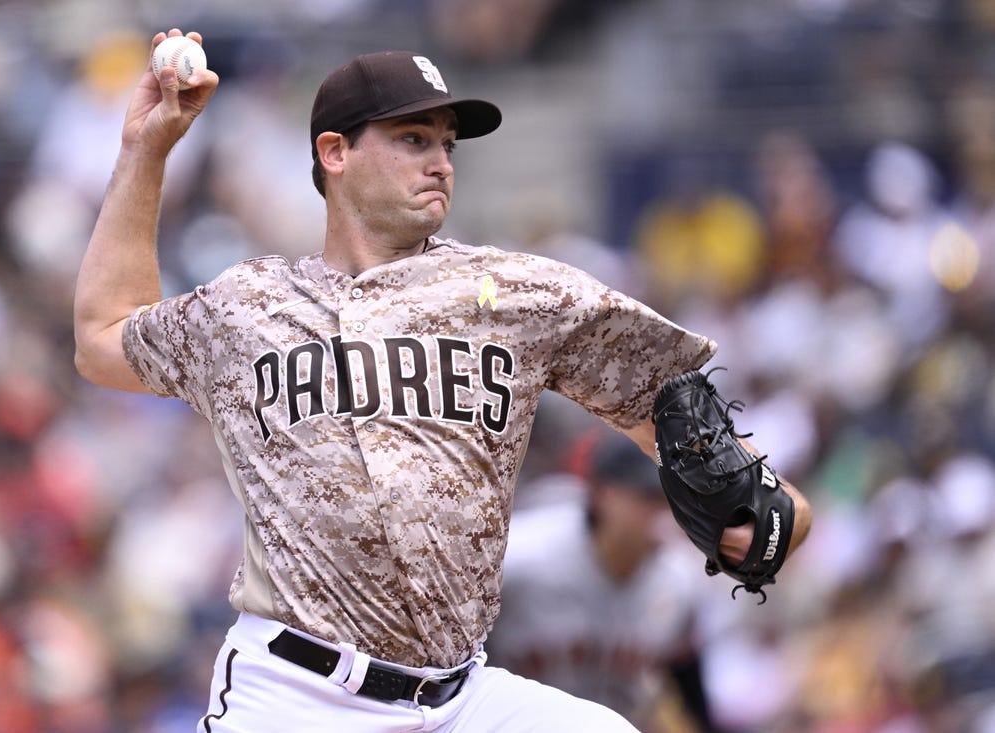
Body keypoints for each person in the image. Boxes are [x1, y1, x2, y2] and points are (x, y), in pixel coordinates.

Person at [73, 29, 812, 733]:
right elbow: (105, 336)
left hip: (462, 698)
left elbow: (673, 406)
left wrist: (772, 504)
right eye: (413, 140)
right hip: (297, 693)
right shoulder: (247, 306)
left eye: (447, 145)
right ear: (335, 151)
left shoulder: (516, 293)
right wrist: (148, 148)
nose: (441, 162)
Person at [487, 429, 719, 732]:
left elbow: (688, 680)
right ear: (602, 494)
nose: (666, 515)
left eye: (675, 502)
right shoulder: (517, 560)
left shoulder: (681, 582)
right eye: (650, 498)